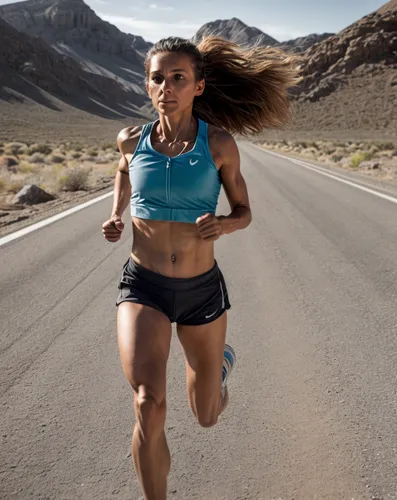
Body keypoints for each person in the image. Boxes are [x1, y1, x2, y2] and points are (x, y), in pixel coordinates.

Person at [102, 35, 300, 500]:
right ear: (147, 86)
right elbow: (124, 171)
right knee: (148, 404)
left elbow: (244, 210)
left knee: (207, 414)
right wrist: (116, 213)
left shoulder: (220, 144)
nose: (166, 87)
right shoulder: (131, 139)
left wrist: (225, 225)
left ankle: (221, 366)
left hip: (201, 291)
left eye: (178, 78)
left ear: (199, 86)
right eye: (157, 78)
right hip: (143, 285)